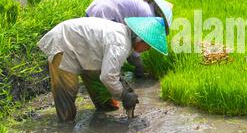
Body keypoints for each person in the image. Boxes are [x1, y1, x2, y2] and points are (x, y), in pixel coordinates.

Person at [38, 16, 168, 122]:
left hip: (84, 50)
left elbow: (111, 71)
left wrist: (123, 86)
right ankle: (66, 128)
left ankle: (104, 112)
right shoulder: (120, 43)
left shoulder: (124, 36)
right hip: (64, 43)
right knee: (67, 90)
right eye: (148, 45)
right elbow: (108, 76)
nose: (148, 49)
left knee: (103, 96)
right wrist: (124, 95)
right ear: (140, 39)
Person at [85, 0, 173, 78]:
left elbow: (133, 43)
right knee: (111, 49)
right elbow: (137, 47)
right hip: (104, 15)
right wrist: (139, 66)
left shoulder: (145, 7)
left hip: (95, 9)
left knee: (103, 49)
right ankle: (106, 78)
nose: (148, 48)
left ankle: (98, 75)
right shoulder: (148, 16)